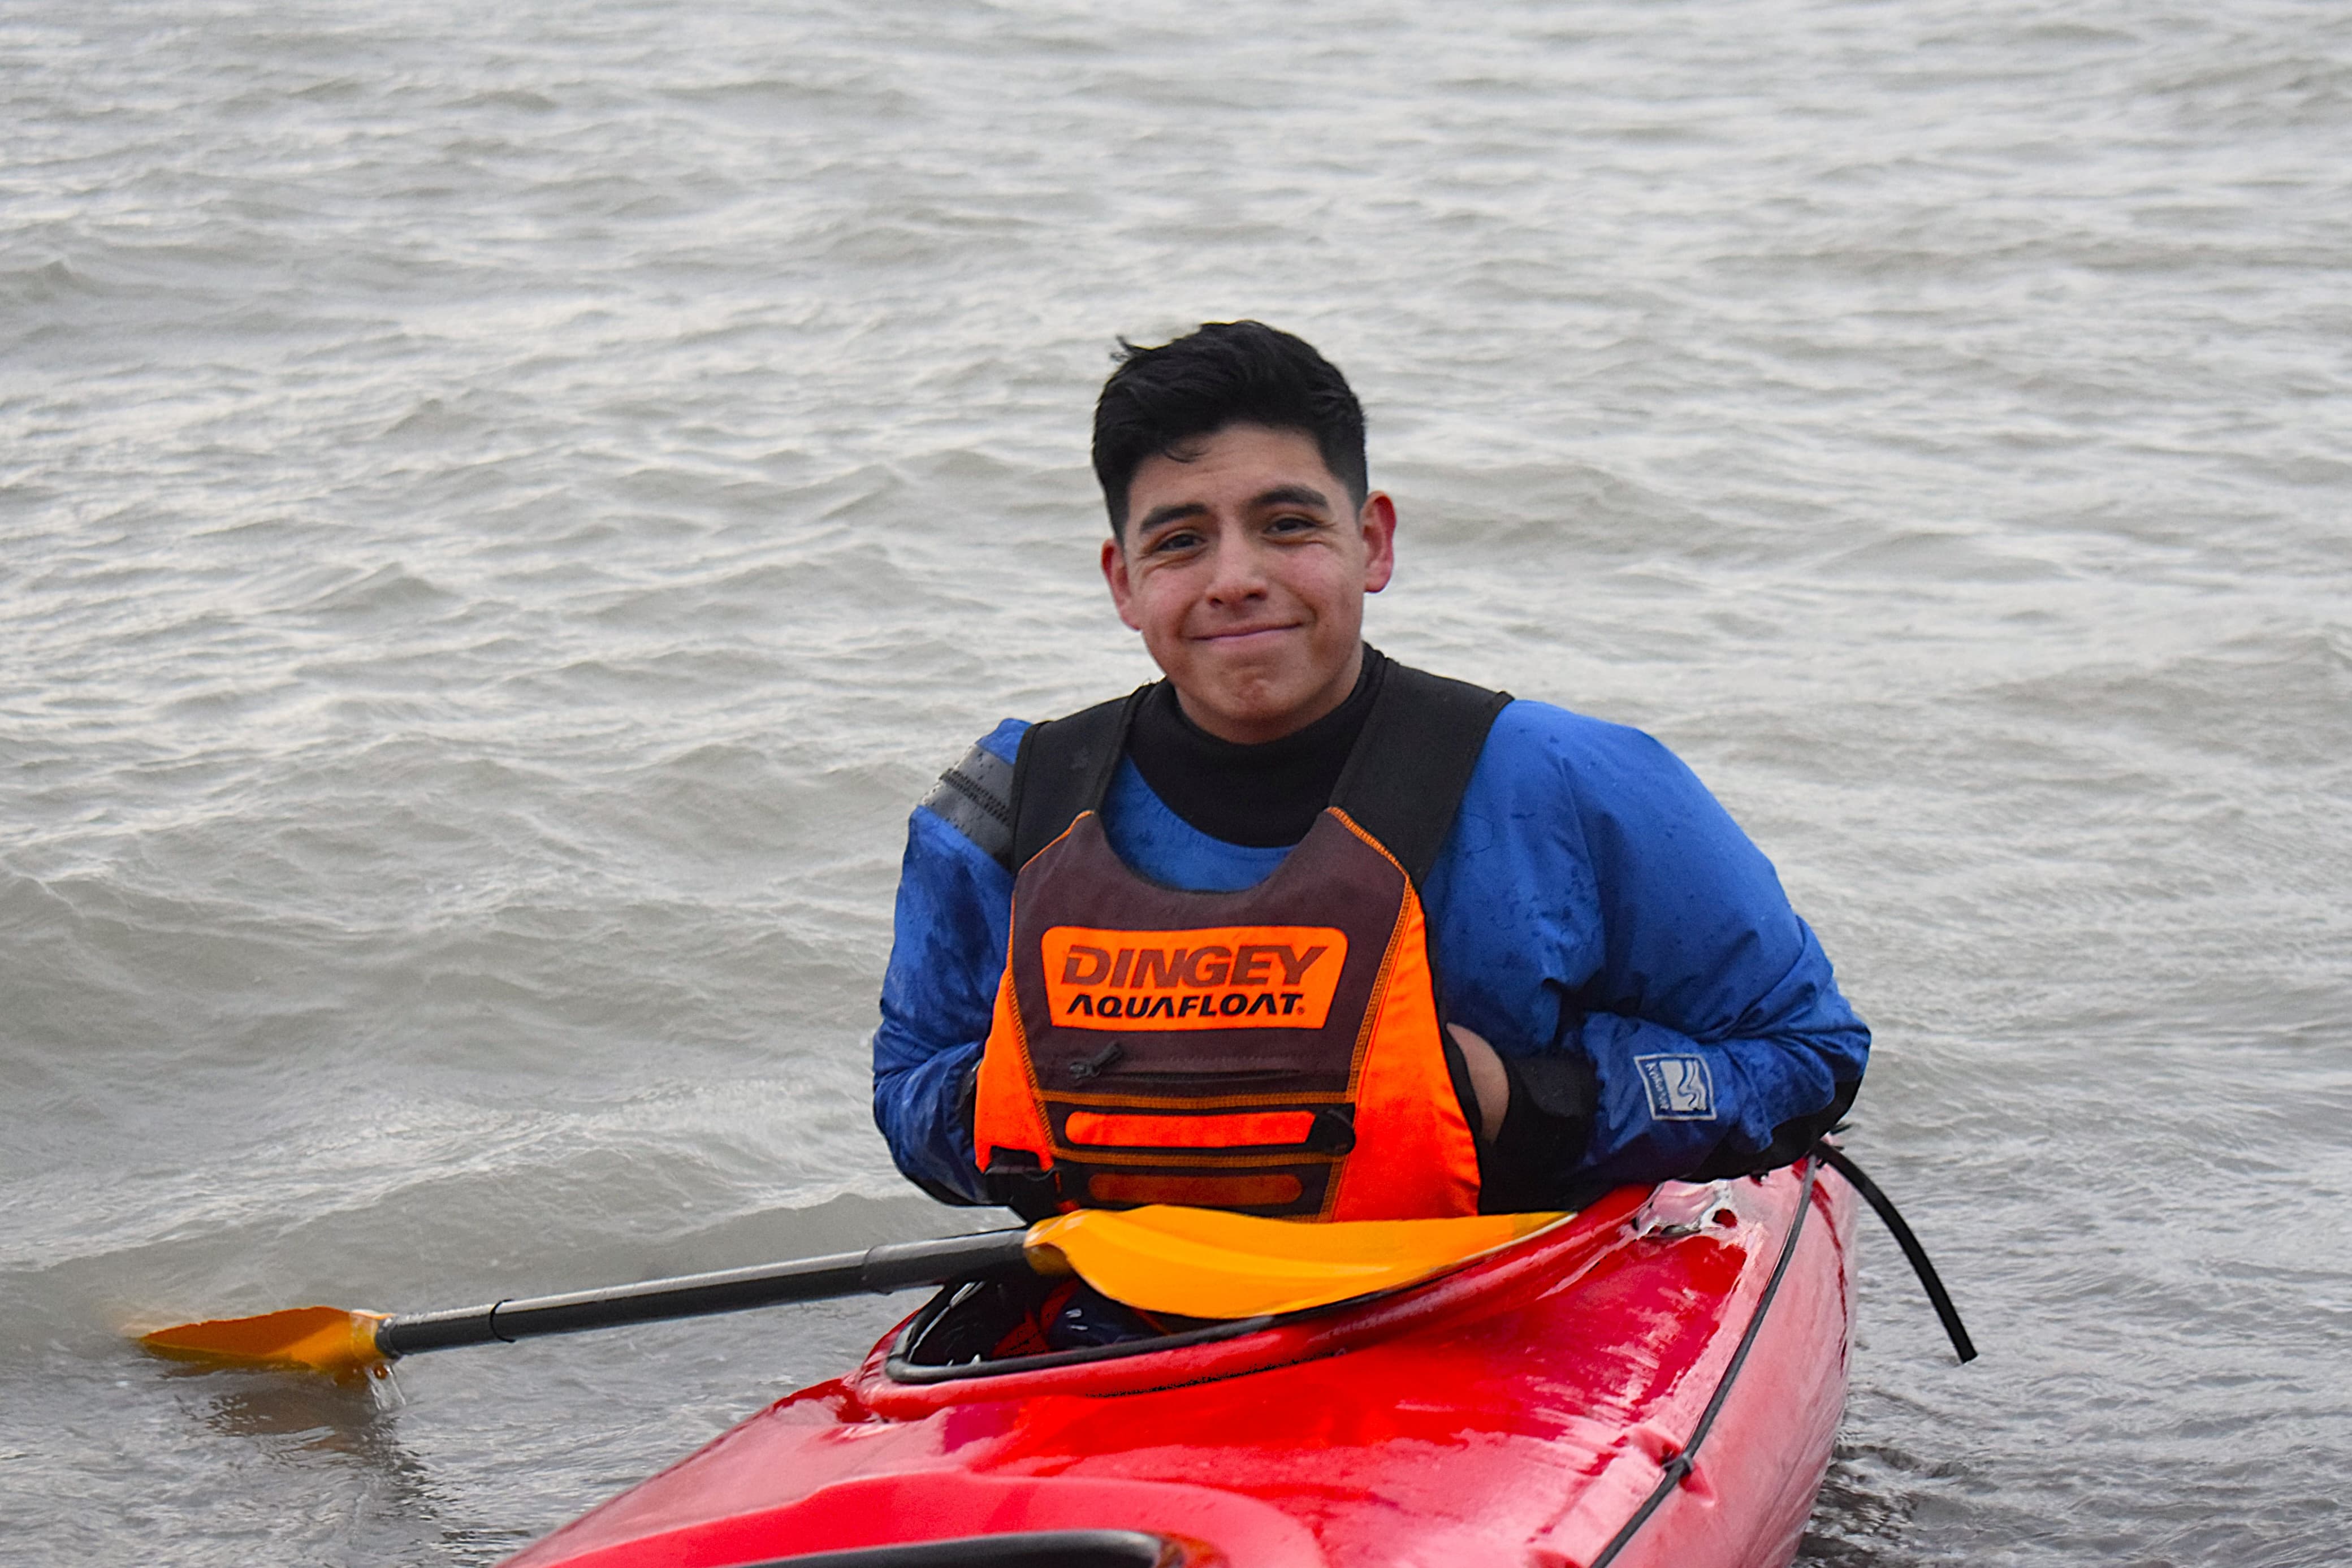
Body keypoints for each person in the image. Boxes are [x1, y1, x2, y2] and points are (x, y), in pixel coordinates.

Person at [872, 320, 1866, 1233]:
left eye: (1287, 524)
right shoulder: (1009, 807)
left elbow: (1805, 1056)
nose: (1235, 578)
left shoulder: (1573, 783)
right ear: (1124, 582)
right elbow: (912, 1088)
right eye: (1180, 541)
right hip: (1125, 1310)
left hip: (1497, 1296)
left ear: (1373, 542)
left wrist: (1523, 1097)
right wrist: (1054, 1092)